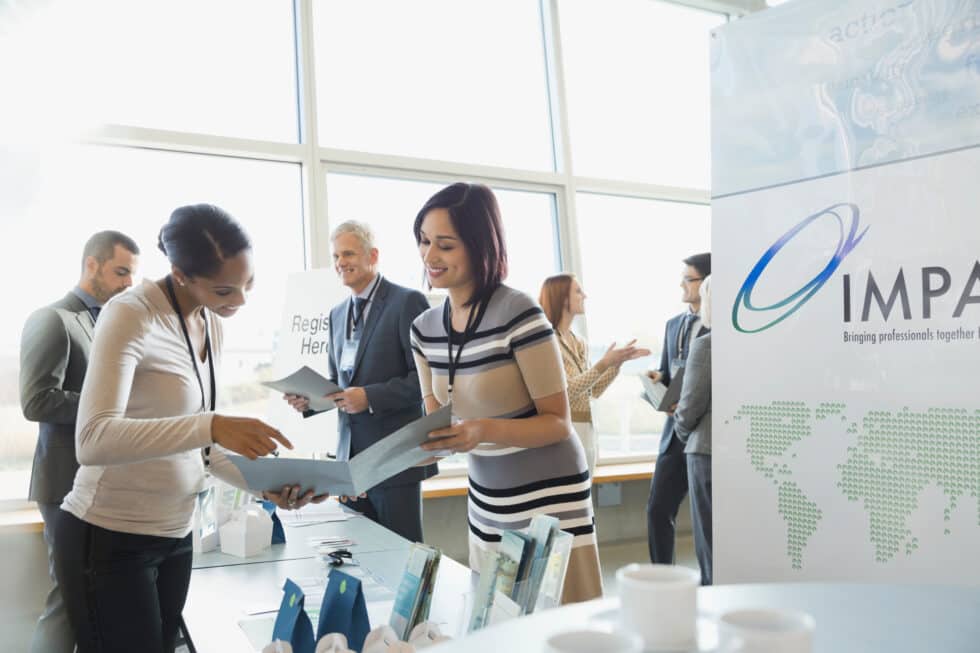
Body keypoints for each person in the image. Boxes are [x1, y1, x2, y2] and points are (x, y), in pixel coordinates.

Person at [53, 204, 322, 653]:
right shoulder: (131, 314)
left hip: (176, 534)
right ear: (180, 273)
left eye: (247, 284)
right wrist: (211, 425)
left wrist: (266, 486)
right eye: (223, 290)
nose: (238, 301)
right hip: (109, 537)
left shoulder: (208, 322)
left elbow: (205, 448)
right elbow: (92, 439)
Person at [410, 182, 603, 603]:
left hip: (549, 496)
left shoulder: (519, 313)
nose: (429, 256)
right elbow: (435, 418)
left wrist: (481, 430)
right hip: (485, 495)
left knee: (561, 625)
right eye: (424, 241)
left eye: (445, 244)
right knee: (495, 620)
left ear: (480, 246)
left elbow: (558, 422)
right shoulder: (423, 329)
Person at [20, 230, 140, 653]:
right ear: (92, 265)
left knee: (89, 597)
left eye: (132, 274)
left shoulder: (104, 321)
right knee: (68, 598)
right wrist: (107, 404)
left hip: (98, 481)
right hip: (63, 481)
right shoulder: (52, 318)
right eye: (121, 271)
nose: (129, 283)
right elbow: (36, 401)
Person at [284, 221, 435, 543]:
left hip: (393, 459)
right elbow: (340, 384)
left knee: (401, 555)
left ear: (373, 255)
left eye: (348, 253)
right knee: (362, 560)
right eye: (336, 256)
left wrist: (370, 397)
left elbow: (425, 381)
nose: (340, 263)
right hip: (350, 462)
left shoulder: (406, 302)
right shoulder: (337, 314)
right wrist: (311, 400)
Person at [539, 273, 649, 475]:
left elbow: (593, 391)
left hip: (586, 431)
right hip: (564, 433)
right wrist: (604, 362)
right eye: (578, 291)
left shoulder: (578, 342)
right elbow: (567, 391)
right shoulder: (548, 342)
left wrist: (616, 364)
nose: (585, 296)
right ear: (562, 297)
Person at [645, 252, 711, 566]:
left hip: (706, 435)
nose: (682, 284)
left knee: (708, 523)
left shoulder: (720, 329)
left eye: (689, 278)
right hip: (674, 434)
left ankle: (711, 582)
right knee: (658, 510)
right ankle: (662, 578)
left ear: (707, 282)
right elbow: (669, 374)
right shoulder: (673, 325)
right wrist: (659, 381)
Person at [672, 275, 713, 585]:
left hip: (705, 451)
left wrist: (682, 432)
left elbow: (688, 408)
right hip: (740, 449)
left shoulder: (706, 345)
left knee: (709, 541)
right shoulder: (754, 344)